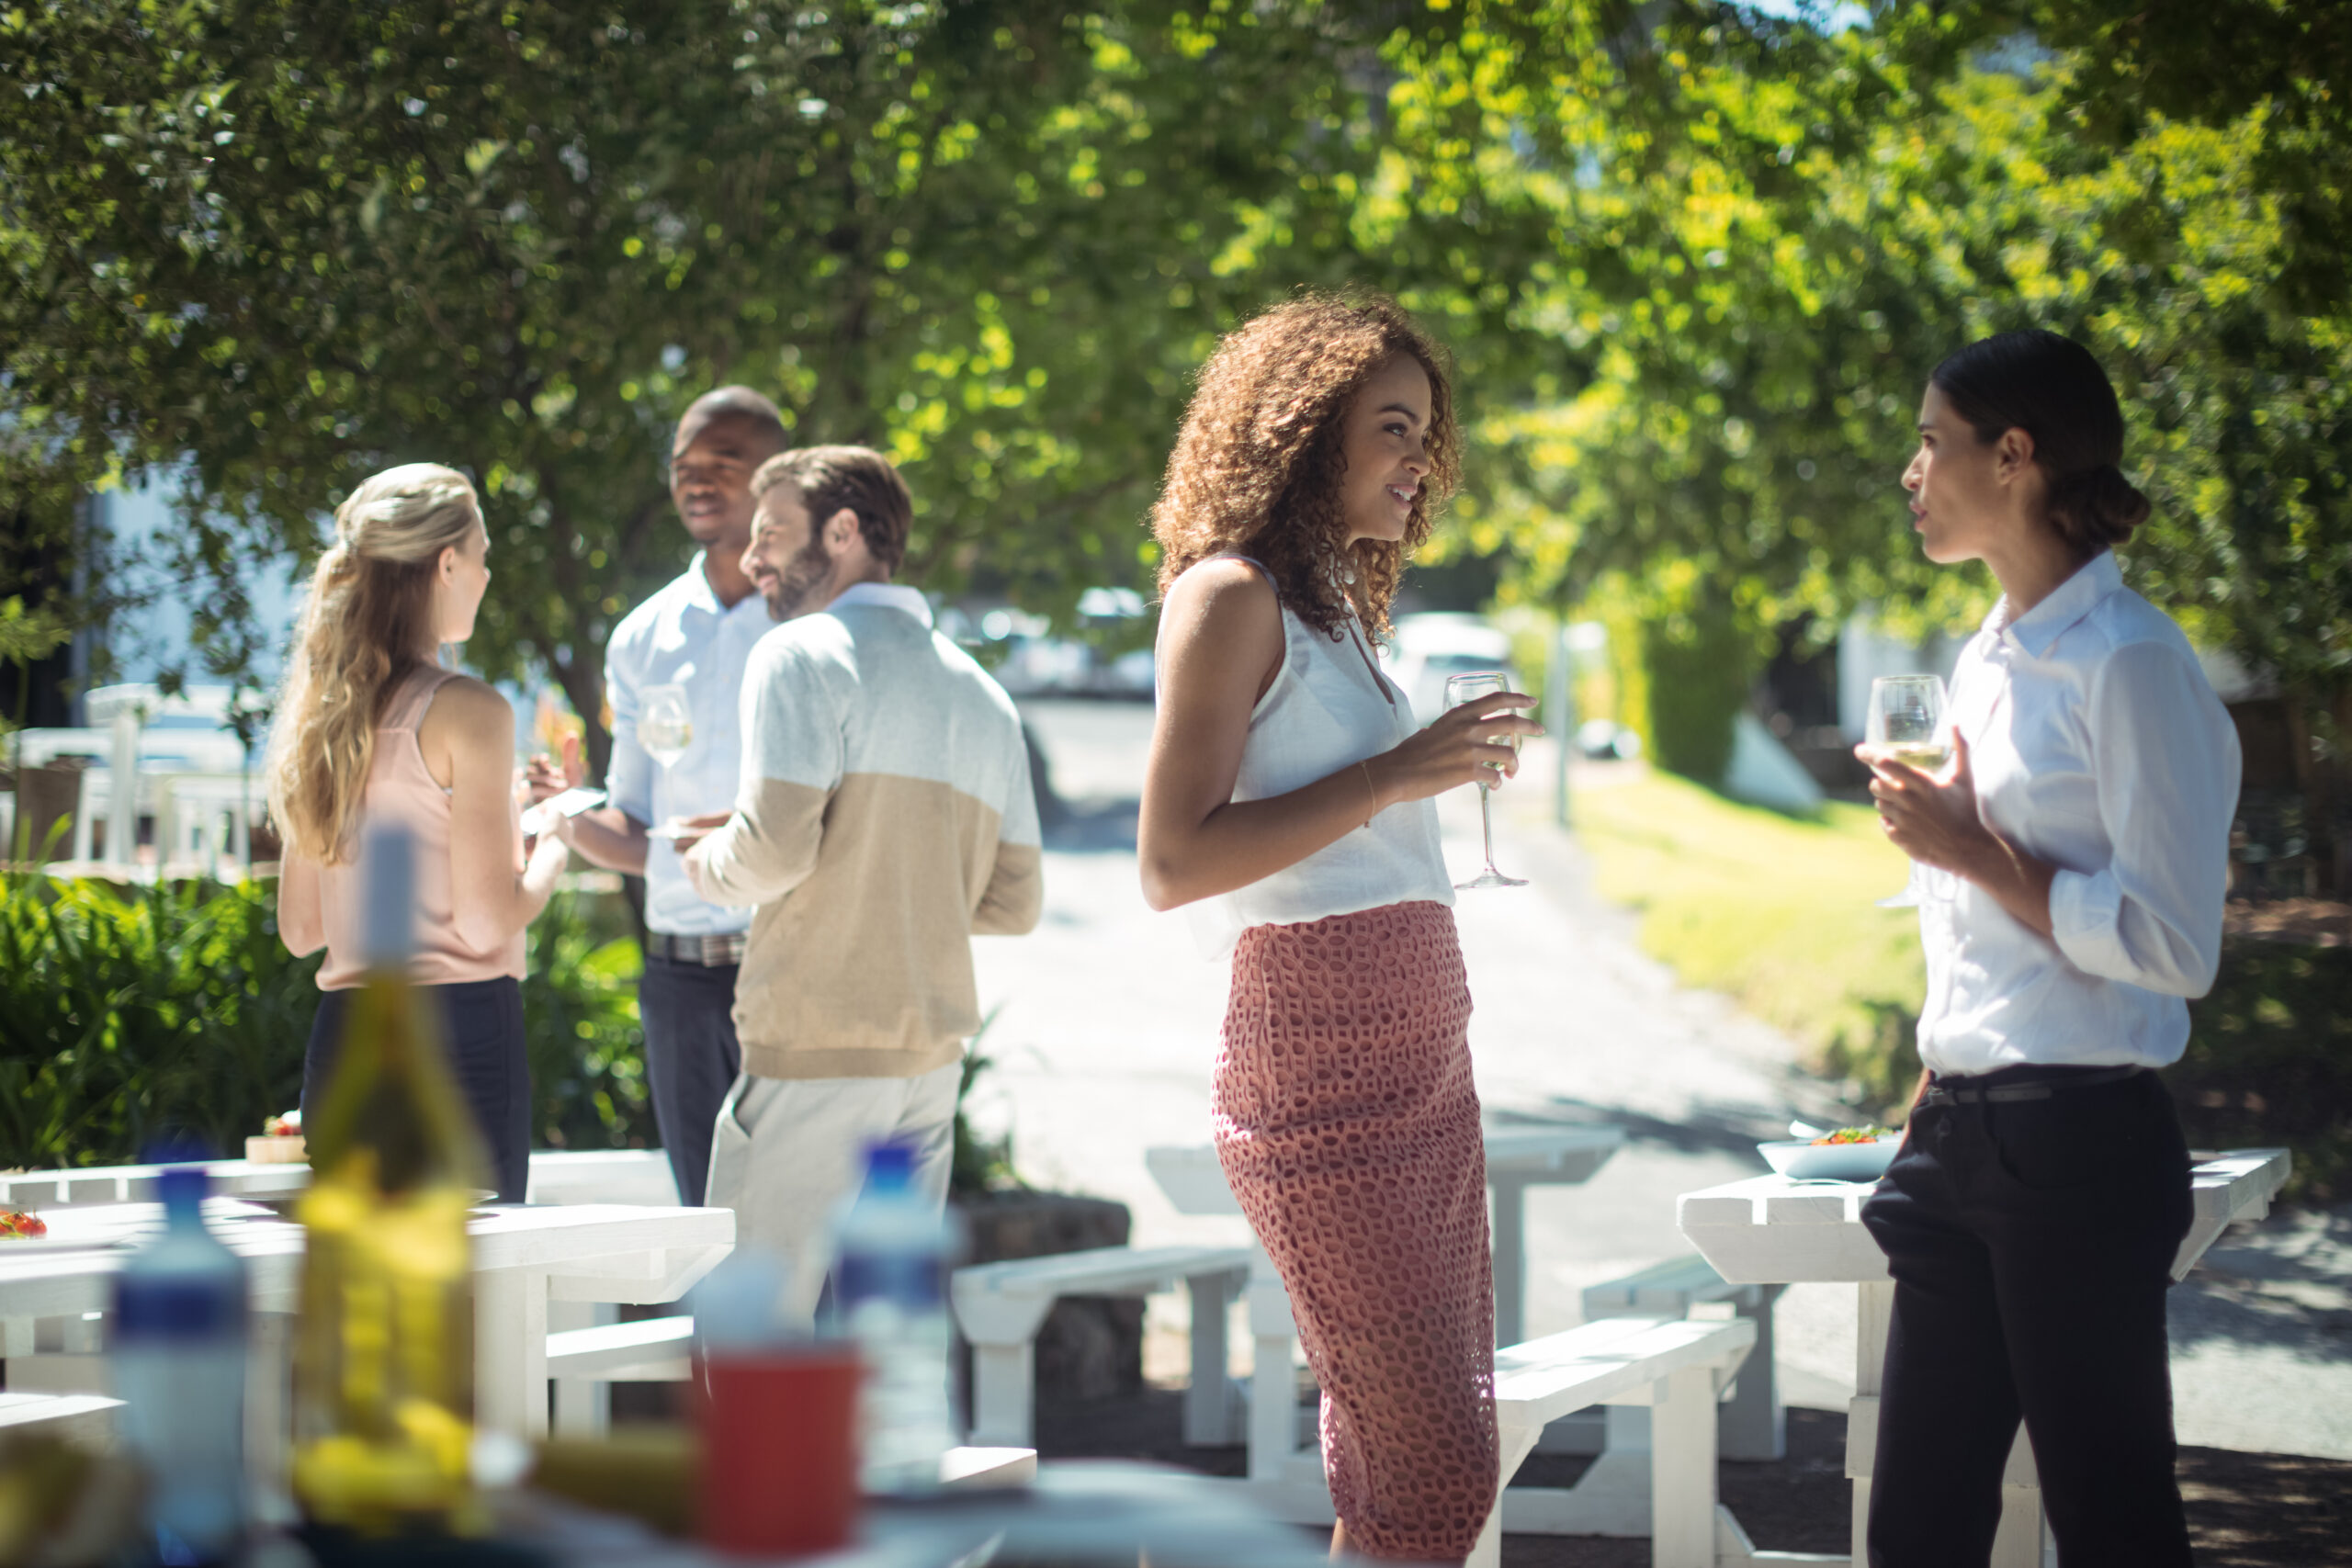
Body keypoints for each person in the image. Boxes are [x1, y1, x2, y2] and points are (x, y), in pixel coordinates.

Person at [1136, 295, 1540, 1564]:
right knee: (1437, 1460)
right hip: (1317, 1067)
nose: (1423, 462)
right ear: (1307, 434)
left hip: (1428, 1062)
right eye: (1395, 428)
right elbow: (1171, 861)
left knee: (1401, 1456)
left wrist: (1418, 772)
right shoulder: (1229, 594)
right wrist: (1397, 773)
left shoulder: (1341, 616)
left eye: (1429, 433)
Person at [1858, 329, 2240, 1567]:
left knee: (2114, 1523)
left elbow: (2175, 944)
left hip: (2079, 1149)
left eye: (1931, 440)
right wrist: (1936, 1081)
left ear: (2013, 455)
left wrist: (1970, 851)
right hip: (1960, 1136)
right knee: (1915, 1530)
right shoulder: (1984, 654)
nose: (1911, 470)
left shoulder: (2132, 662)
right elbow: (1985, 922)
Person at [678, 444, 1042, 1325]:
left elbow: (771, 856)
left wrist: (706, 857)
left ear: (843, 533)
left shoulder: (800, 653)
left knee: (751, 1337)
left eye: (770, 533)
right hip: (925, 1067)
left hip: (813, 1048)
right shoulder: (986, 696)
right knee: (887, 1350)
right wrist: (903, 877)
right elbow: (1015, 903)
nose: (752, 557)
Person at [271, 463, 571, 1203]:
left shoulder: (320, 719)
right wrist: (553, 841)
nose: (486, 575)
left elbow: (302, 927)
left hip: (344, 1040)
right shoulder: (471, 711)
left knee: (360, 1305)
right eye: (483, 556)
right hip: (457, 1037)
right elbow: (484, 918)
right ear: (446, 564)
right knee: (473, 1307)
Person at [536, 387, 788, 1205]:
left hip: (787, 968)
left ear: (775, 476)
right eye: (685, 466)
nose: (700, 480)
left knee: (798, 1228)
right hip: (677, 981)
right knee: (706, 1218)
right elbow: (633, 827)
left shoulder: (811, 625)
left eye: (725, 461)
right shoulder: (642, 637)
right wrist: (564, 808)